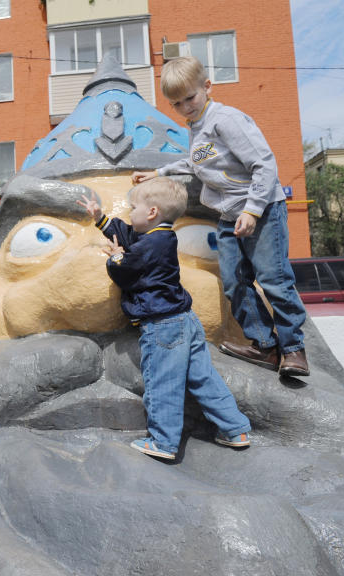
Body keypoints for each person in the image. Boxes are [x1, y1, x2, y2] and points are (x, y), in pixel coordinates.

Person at [132, 56, 308, 377]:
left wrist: (253, 210)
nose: (185, 107)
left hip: (262, 209)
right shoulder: (197, 128)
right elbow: (196, 163)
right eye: (176, 103)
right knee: (233, 282)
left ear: (207, 87)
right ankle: (264, 345)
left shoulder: (226, 120)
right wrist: (157, 172)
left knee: (273, 279)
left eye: (190, 98)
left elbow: (264, 165)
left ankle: (294, 348)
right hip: (229, 215)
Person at [77, 177, 252, 460]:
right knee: (204, 378)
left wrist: (116, 258)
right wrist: (101, 219)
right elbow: (127, 235)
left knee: (162, 382)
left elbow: (127, 268)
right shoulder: (159, 236)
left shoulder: (152, 244)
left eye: (133, 207)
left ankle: (164, 442)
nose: (128, 213)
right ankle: (236, 429)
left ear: (152, 212)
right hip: (184, 320)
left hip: (163, 325)